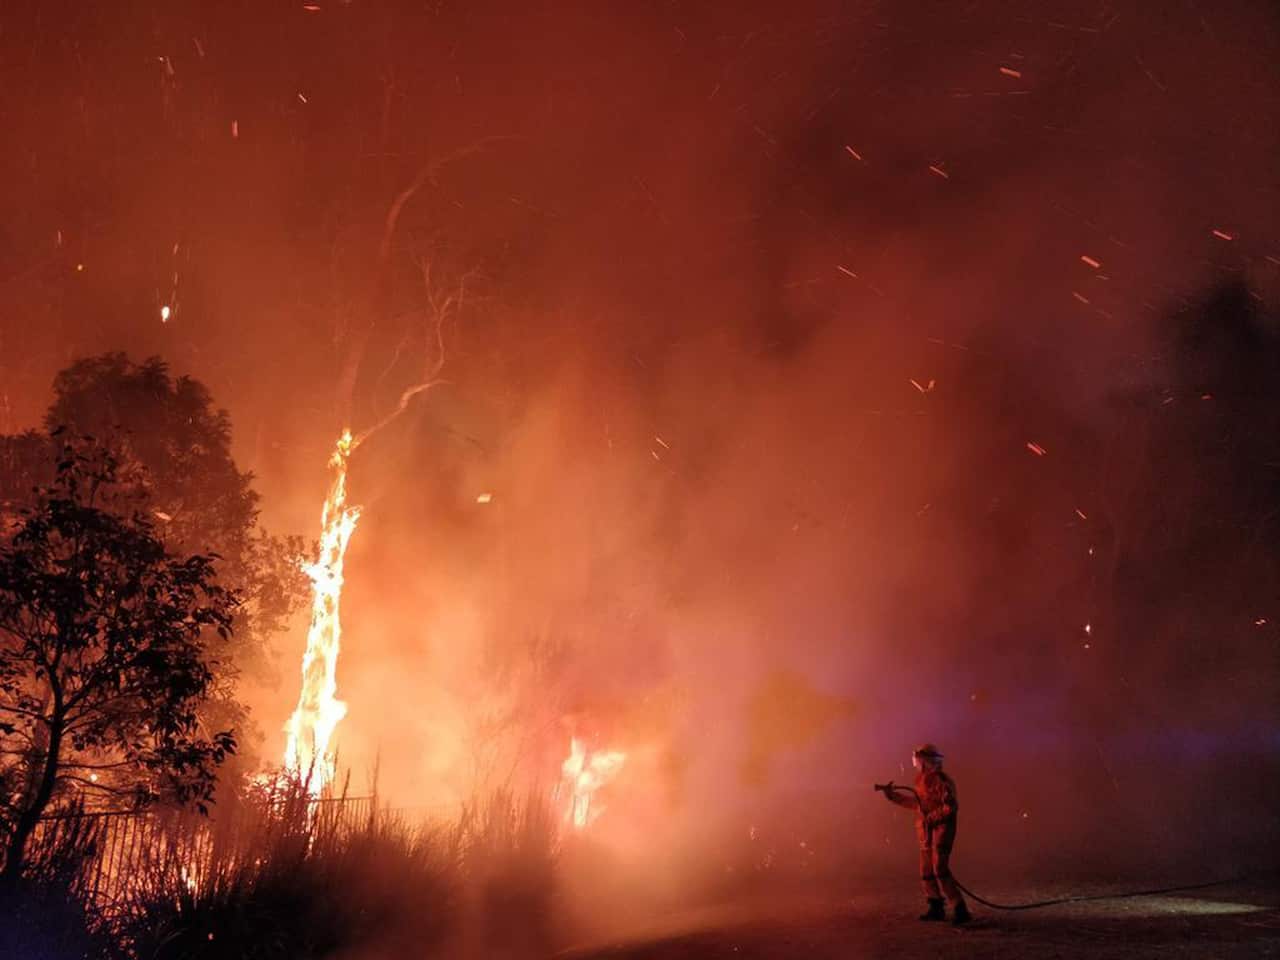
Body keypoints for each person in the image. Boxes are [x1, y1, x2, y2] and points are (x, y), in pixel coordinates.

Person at [881, 743, 972, 925]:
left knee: (939, 868)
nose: (915, 763)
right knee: (927, 871)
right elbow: (916, 804)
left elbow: (950, 807)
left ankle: (959, 908)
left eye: (918, 759)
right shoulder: (921, 781)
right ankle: (935, 906)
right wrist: (892, 796)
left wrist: (932, 818)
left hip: (941, 830)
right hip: (926, 831)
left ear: (926, 761)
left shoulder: (941, 781)